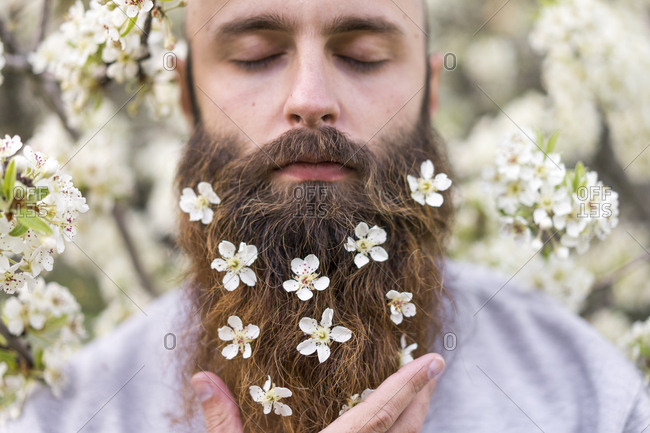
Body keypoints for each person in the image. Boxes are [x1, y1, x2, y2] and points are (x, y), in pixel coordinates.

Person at [4, 0, 650, 432]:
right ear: (185, 95)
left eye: (363, 54)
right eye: (256, 54)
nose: (310, 100)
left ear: (431, 92)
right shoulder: (73, 413)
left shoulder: (586, 398)